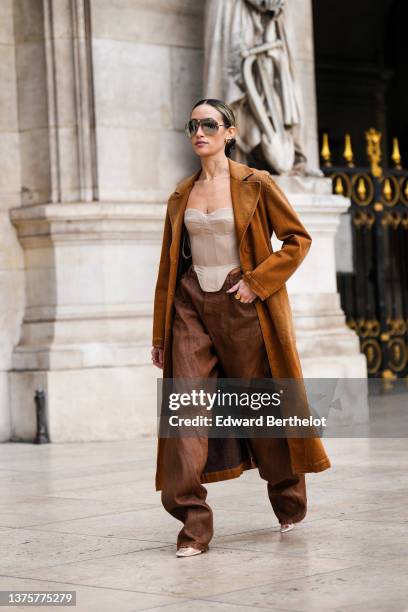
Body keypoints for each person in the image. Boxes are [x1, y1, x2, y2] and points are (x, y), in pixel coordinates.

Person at [151, 98, 331, 558]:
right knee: (184, 413)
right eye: (192, 125)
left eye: (209, 124)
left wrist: (257, 282)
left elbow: (297, 240)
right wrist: (160, 336)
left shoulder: (257, 183)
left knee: (260, 407)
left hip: (243, 305)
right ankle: (193, 526)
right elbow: (166, 270)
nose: (199, 132)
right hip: (191, 306)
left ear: (229, 132)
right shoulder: (180, 194)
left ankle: (288, 499)